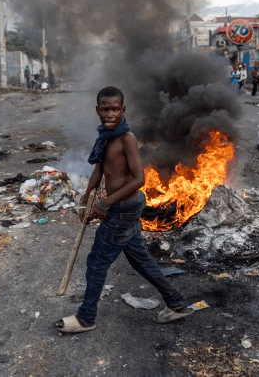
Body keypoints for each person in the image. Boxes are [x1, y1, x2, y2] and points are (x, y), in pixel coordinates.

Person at [55, 86, 190, 333]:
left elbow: (139, 180)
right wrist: (87, 199)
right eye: (105, 109)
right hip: (124, 206)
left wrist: (104, 203)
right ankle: (177, 303)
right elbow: (99, 169)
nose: (110, 114)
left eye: (115, 109)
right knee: (140, 259)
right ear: (97, 111)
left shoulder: (127, 139)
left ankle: (86, 318)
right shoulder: (105, 137)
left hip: (123, 207)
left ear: (122, 110)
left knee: (96, 263)